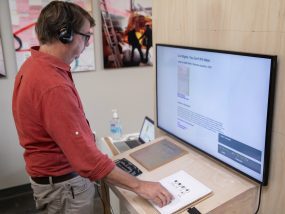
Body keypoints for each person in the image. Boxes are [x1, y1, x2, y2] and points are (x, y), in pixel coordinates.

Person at [12, 1, 172, 213]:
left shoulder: (34, 65)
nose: (88, 44)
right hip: (65, 189)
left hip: (53, 182)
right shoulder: (52, 85)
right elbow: (87, 161)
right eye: (86, 36)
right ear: (65, 34)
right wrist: (141, 186)